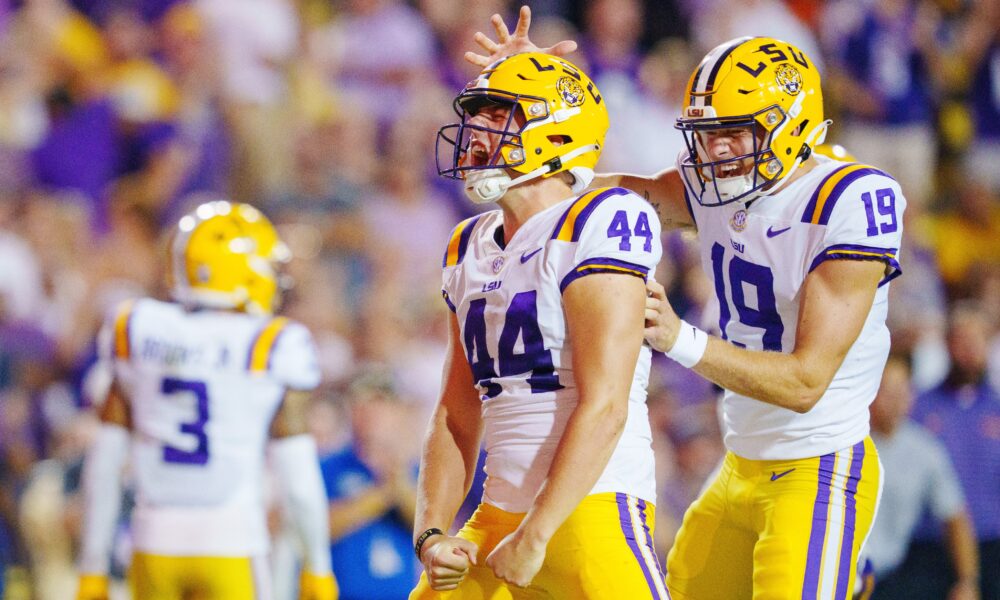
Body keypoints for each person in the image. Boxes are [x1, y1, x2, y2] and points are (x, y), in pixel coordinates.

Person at [467, 7, 906, 598]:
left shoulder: (850, 200)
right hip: (740, 460)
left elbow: (806, 384)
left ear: (791, 125)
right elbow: (590, 185)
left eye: (734, 132)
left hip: (820, 468)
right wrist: (531, 110)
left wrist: (679, 338)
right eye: (707, 133)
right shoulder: (719, 180)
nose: (716, 152)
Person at [411, 51, 666, 599]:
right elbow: (456, 412)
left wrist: (540, 531)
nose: (477, 130)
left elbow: (605, 405)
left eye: (500, 115)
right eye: (477, 115)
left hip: (589, 510)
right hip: (497, 516)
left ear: (556, 133)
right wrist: (432, 534)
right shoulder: (466, 242)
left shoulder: (602, 219)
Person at [74, 201, 338, 600]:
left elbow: (105, 463)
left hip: (153, 541)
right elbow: (297, 476)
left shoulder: (138, 329)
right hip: (230, 541)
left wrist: (92, 566)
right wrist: (318, 566)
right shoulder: (269, 343)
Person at [865, 354, 979, 600]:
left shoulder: (925, 451)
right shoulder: (846, 440)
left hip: (888, 576)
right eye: (887, 390)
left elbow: (956, 516)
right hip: (835, 570)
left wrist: (967, 582)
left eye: (903, 390)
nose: (896, 400)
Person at [321, 368, 420, 600]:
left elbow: (432, 531)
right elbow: (318, 528)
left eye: (381, 405)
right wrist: (383, 494)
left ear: (398, 411)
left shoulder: (417, 470)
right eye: (362, 405)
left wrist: (400, 484)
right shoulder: (329, 466)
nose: (372, 414)